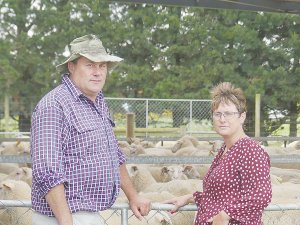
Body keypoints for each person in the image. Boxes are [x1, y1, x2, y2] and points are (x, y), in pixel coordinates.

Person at [30, 34, 151, 225]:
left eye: (102, 66)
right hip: (60, 218)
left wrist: (133, 196)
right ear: (71, 67)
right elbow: (47, 172)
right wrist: (66, 222)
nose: (98, 72)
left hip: (91, 214)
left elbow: (114, 155)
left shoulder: (98, 103)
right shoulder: (53, 106)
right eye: (90, 65)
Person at [162, 82, 272, 225]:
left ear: (242, 117)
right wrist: (190, 198)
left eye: (228, 114)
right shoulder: (225, 150)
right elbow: (221, 196)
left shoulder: (250, 149)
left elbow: (261, 195)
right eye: (217, 114)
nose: (222, 119)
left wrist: (226, 215)